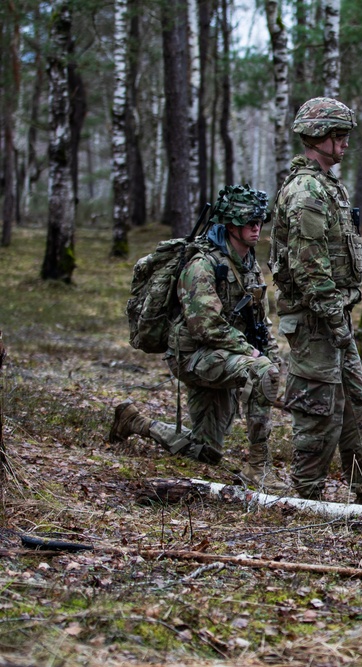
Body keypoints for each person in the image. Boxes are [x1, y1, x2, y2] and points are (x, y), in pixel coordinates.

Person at [269, 97, 362, 506]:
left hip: (333, 317)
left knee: (355, 403)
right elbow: (308, 267)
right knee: (318, 408)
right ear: (319, 138)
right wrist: (332, 317)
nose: (346, 144)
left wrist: (338, 317)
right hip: (316, 320)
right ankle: (307, 493)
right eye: (339, 136)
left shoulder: (328, 184)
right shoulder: (307, 192)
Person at [109, 185, 284, 490]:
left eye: (260, 221)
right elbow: (206, 325)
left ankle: (135, 421)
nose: (257, 228)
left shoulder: (249, 264)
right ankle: (259, 469)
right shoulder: (202, 265)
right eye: (249, 222)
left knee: (206, 452)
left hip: (224, 355)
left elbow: (260, 320)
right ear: (230, 225)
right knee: (262, 373)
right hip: (193, 357)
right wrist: (253, 355)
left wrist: (271, 352)